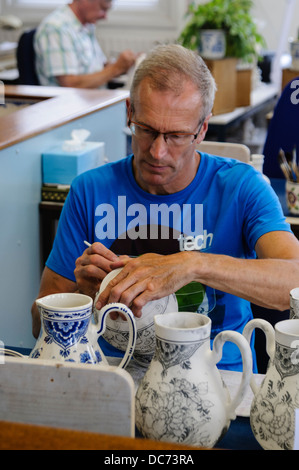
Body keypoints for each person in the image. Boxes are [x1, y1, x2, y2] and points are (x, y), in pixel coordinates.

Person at [32, 44, 299, 371]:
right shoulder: (90, 190)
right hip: (113, 372)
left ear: (202, 129)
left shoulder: (242, 187)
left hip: (216, 378)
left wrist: (191, 265)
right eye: (146, 130)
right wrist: (82, 296)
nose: (157, 152)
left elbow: (294, 280)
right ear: (129, 112)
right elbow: (37, 325)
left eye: (175, 136)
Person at [34, 0, 137, 88]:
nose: (105, 16)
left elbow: (98, 68)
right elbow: (70, 84)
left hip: (93, 99)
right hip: (72, 106)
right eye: (102, 8)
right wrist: (115, 69)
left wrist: (122, 65)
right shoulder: (57, 29)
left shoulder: (86, 26)